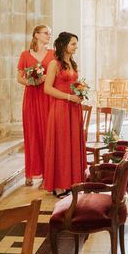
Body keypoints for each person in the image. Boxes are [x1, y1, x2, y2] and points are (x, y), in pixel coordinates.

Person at [42, 32, 85, 197]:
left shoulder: (72, 63)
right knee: (61, 145)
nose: (76, 47)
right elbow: (48, 88)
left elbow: (74, 83)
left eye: (76, 44)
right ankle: (58, 185)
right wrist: (69, 96)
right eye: (73, 44)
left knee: (72, 144)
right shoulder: (54, 63)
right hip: (60, 108)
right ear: (64, 45)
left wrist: (80, 93)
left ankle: (70, 182)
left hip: (74, 108)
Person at [17, 25, 55, 186]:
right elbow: (19, 78)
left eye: (50, 34)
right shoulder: (25, 55)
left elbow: (57, 75)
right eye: (46, 33)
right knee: (32, 134)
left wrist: (45, 77)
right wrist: (32, 81)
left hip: (47, 98)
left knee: (48, 134)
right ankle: (30, 173)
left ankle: (48, 173)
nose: (49, 36)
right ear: (36, 35)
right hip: (31, 98)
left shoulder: (53, 54)